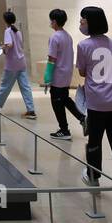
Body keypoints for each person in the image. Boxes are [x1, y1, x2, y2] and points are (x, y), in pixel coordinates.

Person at [76, 5, 112, 216]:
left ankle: (93, 176)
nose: (80, 25)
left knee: (94, 142)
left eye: (82, 21)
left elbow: (82, 71)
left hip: (97, 103)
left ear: (90, 23)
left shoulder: (84, 45)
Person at [44, 9, 87, 139]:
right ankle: (82, 118)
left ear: (55, 21)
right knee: (65, 99)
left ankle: (64, 130)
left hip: (58, 75)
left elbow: (52, 59)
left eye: (51, 20)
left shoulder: (55, 37)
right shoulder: (67, 36)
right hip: (66, 74)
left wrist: (47, 77)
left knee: (56, 102)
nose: (50, 22)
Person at [0, 10, 36, 118]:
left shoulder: (8, 31)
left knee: (5, 86)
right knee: (25, 87)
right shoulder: (18, 32)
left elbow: (9, 44)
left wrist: (2, 49)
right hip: (21, 63)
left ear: (5, 21)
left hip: (12, 64)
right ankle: (31, 110)